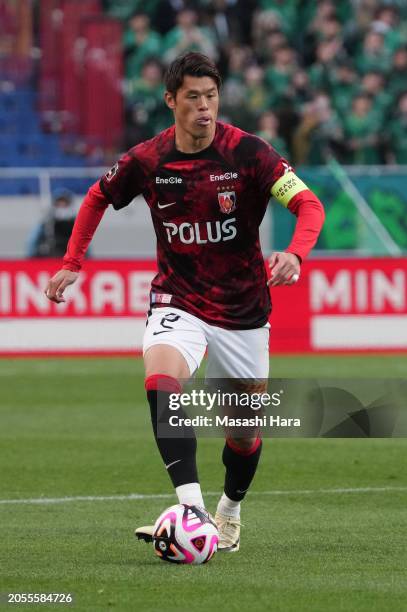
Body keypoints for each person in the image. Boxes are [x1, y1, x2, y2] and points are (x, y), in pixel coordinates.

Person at [44, 53, 324, 553]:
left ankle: (229, 512)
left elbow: (309, 204)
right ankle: (190, 506)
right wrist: (72, 260)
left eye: (211, 97)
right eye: (193, 97)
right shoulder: (148, 160)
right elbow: (97, 197)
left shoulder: (251, 153)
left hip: (243, 311)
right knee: (162, 380)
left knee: (242, 434)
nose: (204, 108)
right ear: (170, 100)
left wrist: (297, 254)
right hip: (179, 298)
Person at [27, 188, 77, 258]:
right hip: (53, 254)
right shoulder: (47, 222)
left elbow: (85, 244)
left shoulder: (77, 222)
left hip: (71, 255)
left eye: (64, 203)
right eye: (59, 202)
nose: (62, 205)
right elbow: (32, 241)